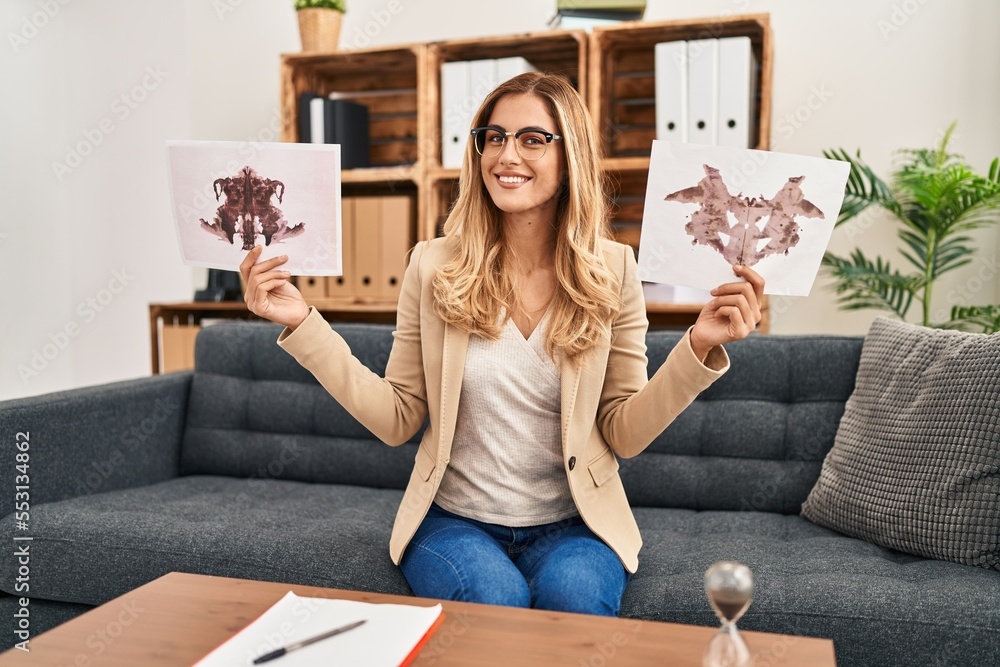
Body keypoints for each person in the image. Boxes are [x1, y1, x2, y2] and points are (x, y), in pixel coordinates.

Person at [239, 71, 764, 617]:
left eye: (532, 139)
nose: (506, 154)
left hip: (576, 524)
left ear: (570, 158)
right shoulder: (433, 264)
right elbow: (397, 417)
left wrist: (698, 347)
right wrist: (303, 322)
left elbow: (623, 433)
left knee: (575, 600)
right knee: (496, 602)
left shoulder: (614, 270)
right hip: (455, 523)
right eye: (494, 137)